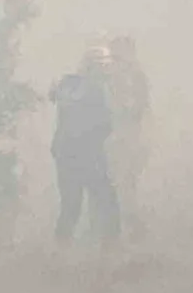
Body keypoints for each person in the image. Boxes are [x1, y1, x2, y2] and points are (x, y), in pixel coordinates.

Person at [49, 46, 121, 246]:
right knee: (107, 201)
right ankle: (112, 249)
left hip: (65, 156)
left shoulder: (67, 84)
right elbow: (105, 125)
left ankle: (59, 251)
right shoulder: (95, 91)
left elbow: (54, 97)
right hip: (89, 155)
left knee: (70, 206)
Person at [105, 34, 151, 240]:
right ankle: (119, 225)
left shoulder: (136, 76)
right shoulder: (107, 76)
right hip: (112, 135)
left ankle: (129, 224)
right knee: (115, 180)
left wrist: (125, 113)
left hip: (129, 134)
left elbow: (141, 105)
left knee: (126, 180)